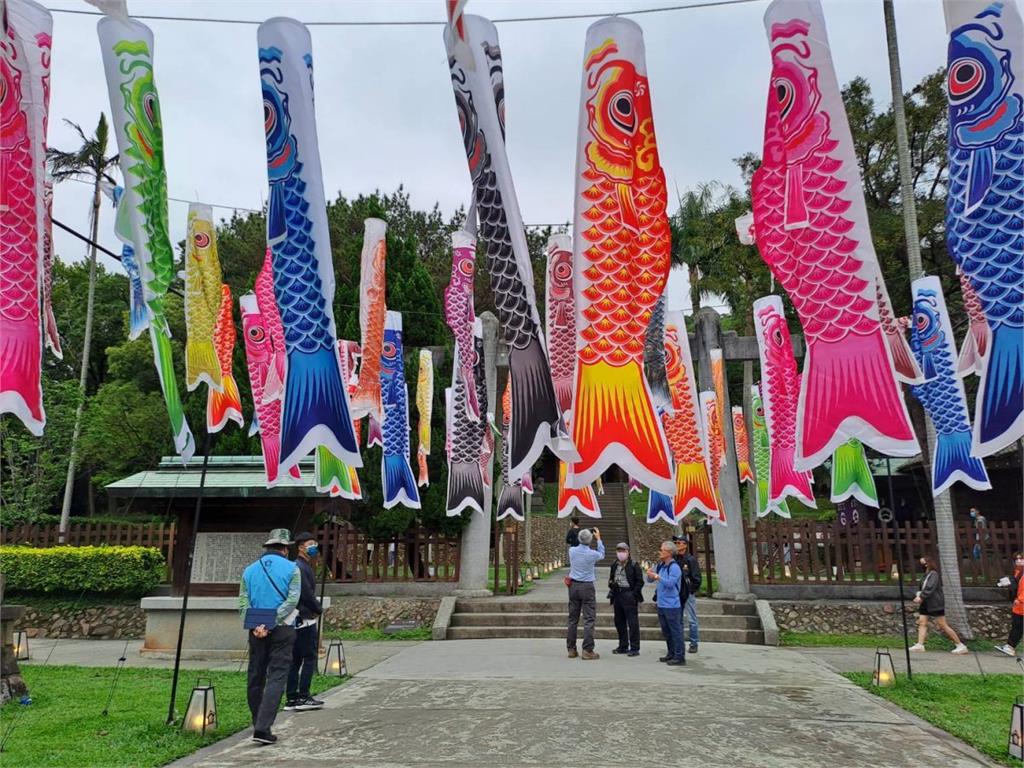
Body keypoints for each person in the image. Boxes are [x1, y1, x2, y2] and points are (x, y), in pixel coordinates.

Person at [239, 528, 302, 745]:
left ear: (267, 547)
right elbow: (293, 599)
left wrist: (257, 625)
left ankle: (257, 720)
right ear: (285, 549)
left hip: (256, 629)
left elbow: (243, 601)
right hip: (282, 627)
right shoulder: (292, 569)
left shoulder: (249, 570)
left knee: (255, 674)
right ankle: (263, 728)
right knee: (277, 675)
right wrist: (273, 620)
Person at [284, 532, 324, 712]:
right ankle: (303, 695)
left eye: (314, 543)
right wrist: (318, 609)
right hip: (305, 617)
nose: (313, 546)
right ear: (300, 547)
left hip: (297, 617)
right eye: (310, 543)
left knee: (295, 659)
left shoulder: (301, 565)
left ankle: (291, 698)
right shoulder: (300, 566)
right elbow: (306, 592)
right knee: (309, 657)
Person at [909, 554, 968, 654]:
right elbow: (923, 587)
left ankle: (960, 645)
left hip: (935, 603)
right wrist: (919, 595)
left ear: (928, 564)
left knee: (942, 624)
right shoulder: (926, 575)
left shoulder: (933, 574)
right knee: (922, 622)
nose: (921, 565)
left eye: (923, 563)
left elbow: (930, 588)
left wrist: (921, 596)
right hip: (926, 603)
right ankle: (920, 645)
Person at [567, 526, 603, 660]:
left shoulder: (572, 551)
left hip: (573, 585)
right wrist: (598, 539)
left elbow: (576, 545)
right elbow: (602, 554)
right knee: (589, 618)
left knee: (572, 619)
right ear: (590, 540)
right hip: (587, 586)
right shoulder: (592, 554)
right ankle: (587, 649)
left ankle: (571, 648)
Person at [646, 541, 685, 666]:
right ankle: (671, 652)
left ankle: (679, 656)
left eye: (662, 550)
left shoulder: (674, 567)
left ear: (669, 553)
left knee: (675, 631)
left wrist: (657, 577)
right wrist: (650, 574)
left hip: (672, 604)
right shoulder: (661, 565)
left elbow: (670, 583)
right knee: (666, 631)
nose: (660, 552)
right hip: (662, 603)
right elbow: (649, 580)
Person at [607, 542, 644, 656]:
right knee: (619, 621)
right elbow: (611, 578)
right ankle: (623, 645)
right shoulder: (614, 564)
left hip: (629, 594)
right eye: (619, 551)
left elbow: (640, 581)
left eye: (623, 551)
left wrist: (634, 593)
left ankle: (634, 647)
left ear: (628, 552)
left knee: (632, 622)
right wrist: (612, 585)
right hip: (617, 594)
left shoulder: (633, 565)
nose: (621, 553)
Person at [673, 536, 701, 654]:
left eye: (679, 542)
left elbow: (696, 577)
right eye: (676, 542)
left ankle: (694, 642)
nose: (677, 544)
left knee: (691, 619)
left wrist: (691, 589)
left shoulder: (690, 560)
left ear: (685, 545)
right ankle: (679, 643)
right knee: (678, 619)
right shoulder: (674, 559)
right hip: (676, 593)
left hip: (688, 593)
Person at [996, 551, 1024, 658]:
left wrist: (1020, 599)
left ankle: (1010, 647)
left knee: (1017, 627)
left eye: (1021, 559)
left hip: (1021, 605)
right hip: (1018, 606)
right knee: (1017, 627)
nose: (1018, 561)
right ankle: (1010, 647)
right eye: (1016, 559)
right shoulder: (1017, 572)